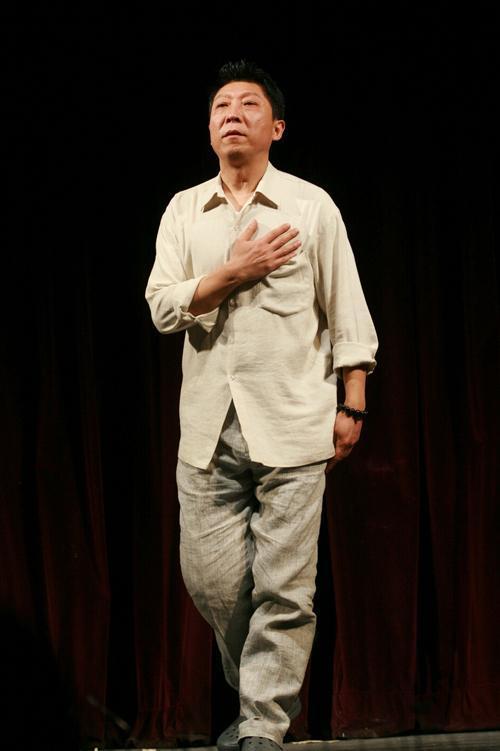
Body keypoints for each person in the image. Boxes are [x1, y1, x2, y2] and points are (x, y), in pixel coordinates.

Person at [145, 60, 378, 751]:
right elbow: (162, 306)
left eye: (249, 105)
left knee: (286, 588)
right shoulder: (185, 210)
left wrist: (353, 404)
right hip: (207, 428)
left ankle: (261, 729)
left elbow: (347, 310)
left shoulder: (311, 206)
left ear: (276, 127)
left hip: (293, 420)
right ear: (209, 127)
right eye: (222, 106)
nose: (233, 114)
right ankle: (259, 699)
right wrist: (231, 273)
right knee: (211, 583)